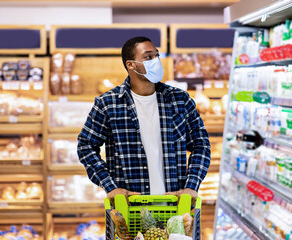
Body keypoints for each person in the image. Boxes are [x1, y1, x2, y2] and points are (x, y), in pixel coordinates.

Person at [77, 36, 211, 206]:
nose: (155, 61)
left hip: (175, 207)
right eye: (148, 57)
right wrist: (109, 186)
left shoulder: (180, 100)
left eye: (156, 56)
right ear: (130, 64)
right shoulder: (108, 104)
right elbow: (85, 145)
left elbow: (201, 144)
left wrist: (192, 185)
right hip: (129, 209)